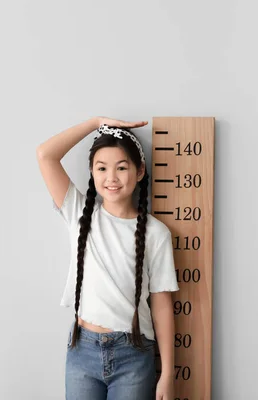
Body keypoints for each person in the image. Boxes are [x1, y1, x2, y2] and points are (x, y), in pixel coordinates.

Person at [36, 116, 180, 400]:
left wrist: (168, 374)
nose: (111, 178)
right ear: (92, 172)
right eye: (101, 168)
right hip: (82, 351)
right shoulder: (80, 214)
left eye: (121, 167)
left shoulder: (156, 233)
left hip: (134, 354)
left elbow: (162, 306)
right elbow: (45, 155)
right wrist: (96, 123)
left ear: (139, 172)